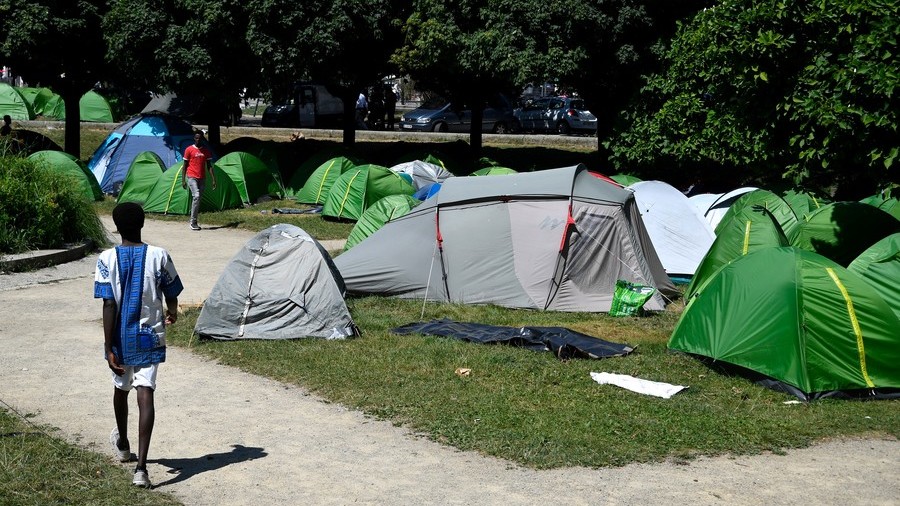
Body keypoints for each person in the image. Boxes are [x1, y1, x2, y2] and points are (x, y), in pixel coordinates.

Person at [94, 202, 184, 488]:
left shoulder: (106, 259)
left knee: (121, 389)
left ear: (116, 228)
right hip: (150, 336)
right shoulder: (160, 255)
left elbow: (108, 303)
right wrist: (172, 310)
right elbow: (171, 291)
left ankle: (123, 443)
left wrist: (108, 347)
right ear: (143, 223)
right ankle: (142, 469)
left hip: (120, 338)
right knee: (146, 393)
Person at [181, 131, 216, 231]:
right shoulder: (189, 149)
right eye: (196, 138)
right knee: (196, 196)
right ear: (194, 138)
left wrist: (213, 179)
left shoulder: (206, 151)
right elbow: (185, 166)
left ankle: (194, 218)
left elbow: (209, 166)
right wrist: (183, 179)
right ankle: (193, 222)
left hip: (202, 178)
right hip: (191, 176)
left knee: (198, 198)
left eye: (200, 138)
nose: (198, 140)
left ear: (202, 139)